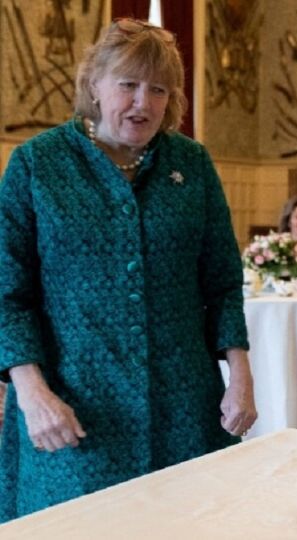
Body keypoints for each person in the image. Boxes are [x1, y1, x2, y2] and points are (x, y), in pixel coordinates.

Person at [0, 19, 257, 522]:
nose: (143, 102)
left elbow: (223, 281)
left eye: (158, 89)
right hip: (74, 411)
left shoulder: (192, 164)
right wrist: (32, 394)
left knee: (185, 523)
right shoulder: (37, 165)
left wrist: (240, 375)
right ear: (94, 85)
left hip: (183, 407)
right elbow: (6, 292)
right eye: (128, 85)